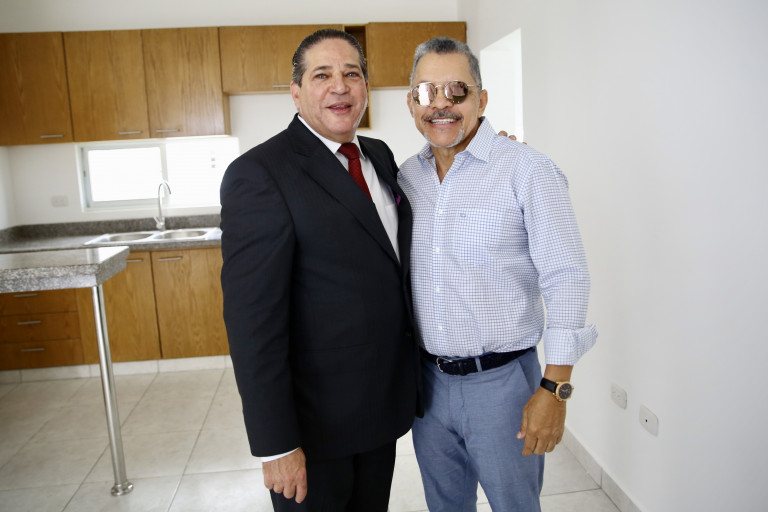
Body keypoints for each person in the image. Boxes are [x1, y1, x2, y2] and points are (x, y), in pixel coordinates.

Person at [219, 28, 420, 512]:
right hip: (313, 430)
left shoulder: (379, 156)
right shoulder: (260, 173)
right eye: (322, 75)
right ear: (296, 91)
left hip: (380, 410)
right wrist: (276, 445)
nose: (340, 86)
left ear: (365, 87)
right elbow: (252, 323)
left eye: (352, 74)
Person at [397, 37, 598, 512]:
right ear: (411, 103)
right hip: (427, 385)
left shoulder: (527, 171)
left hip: (503, 385)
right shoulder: (406, 178)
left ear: (482, 100)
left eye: (457, 90)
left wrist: (555, 389)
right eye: (426, 92)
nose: (440, 104)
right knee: (445, 506)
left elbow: (566, 277)